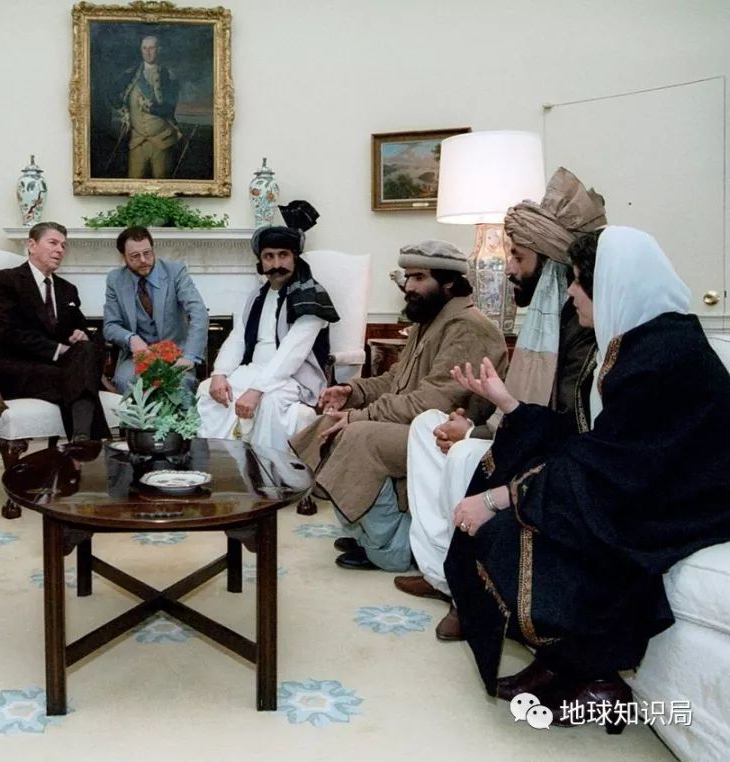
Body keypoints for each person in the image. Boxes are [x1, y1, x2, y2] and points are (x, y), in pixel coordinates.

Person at [443, 227, 730, 726]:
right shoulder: (635, 341)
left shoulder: (666, 354)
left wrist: (500, 499)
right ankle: (564, 663)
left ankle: (595, 679)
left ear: (612, 285)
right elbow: (592, 442)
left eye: (579, 281)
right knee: (523, 482)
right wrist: (509, 405)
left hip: (682, 504)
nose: (571, 292)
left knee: (515, 529)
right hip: (640, 487)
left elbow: (613, 464)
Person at [398, 168, 603, 640]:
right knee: (427, 424)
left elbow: (562, 423)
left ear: (550, 263)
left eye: (518, 256)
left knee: (463, 453)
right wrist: (473, 418)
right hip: (517, 434)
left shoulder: (581, 328)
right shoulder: (546, 320)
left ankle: (466, 590)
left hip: (551, 454)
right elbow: (514, 399)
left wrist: (474, 433)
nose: (509, 267)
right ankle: (440, 572)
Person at [290, 241, 508, 572]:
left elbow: (433, 401)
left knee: (358, 436)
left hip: (445, 436)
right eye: (407, 277)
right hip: (414, 424)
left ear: (449, 281)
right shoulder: (430, 320)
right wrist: (352, 392)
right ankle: (364, 532)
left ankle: (391, 549)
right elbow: (396, 379)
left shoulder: (467, 327)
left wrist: (359, 416)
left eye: (419, 277)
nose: (408, 286)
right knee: (329, 423)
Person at [196, 201, 339, 452]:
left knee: (270, 402)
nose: (276, 264)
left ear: (294, 257)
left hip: (295, 378)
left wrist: (256, 390)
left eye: (283, 255)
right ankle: (223, 461)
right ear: (261, 261)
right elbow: (238, 338)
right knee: (208, 390)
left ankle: (268, 468)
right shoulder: (257, 296)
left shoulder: (311, 297)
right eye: (268, 257)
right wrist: (219, 373)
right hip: (254, 371)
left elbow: (292, 353)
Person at [0, 222, 111, 441]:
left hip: (57, 369)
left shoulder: (67, 289)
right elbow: (6, 333)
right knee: (80, 378)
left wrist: (81, 334)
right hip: (17, 369)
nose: (60, 250)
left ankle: (81, 439)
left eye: (63, 245)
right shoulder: (5, 281)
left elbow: (83, 328)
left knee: (86, 348)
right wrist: (59, 349)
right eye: (53, 243)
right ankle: (87, 441)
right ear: (31, 245)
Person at [103, 226, 208, 395]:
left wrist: (190, 356)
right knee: (124, 382)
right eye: (135, 256)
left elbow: (199, 313)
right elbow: (110, 326)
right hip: (136, 358)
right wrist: (131, 339)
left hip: (176, 356)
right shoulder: (115, 280)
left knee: (179, 387)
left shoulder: (176, 271)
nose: (143, 260)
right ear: (123, 257)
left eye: (148, 253)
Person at [115, 35, 181, 179]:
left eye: (151, 48)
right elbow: (112, 94)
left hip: (162, 141)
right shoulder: (131, 74)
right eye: (144, 48)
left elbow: (169, 108)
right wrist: (124, 113)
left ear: (159, 50)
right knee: (133, 182)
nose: (147, 52)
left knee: (162, 183)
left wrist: (149, 108)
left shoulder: (169, 76)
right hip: (137, 141)